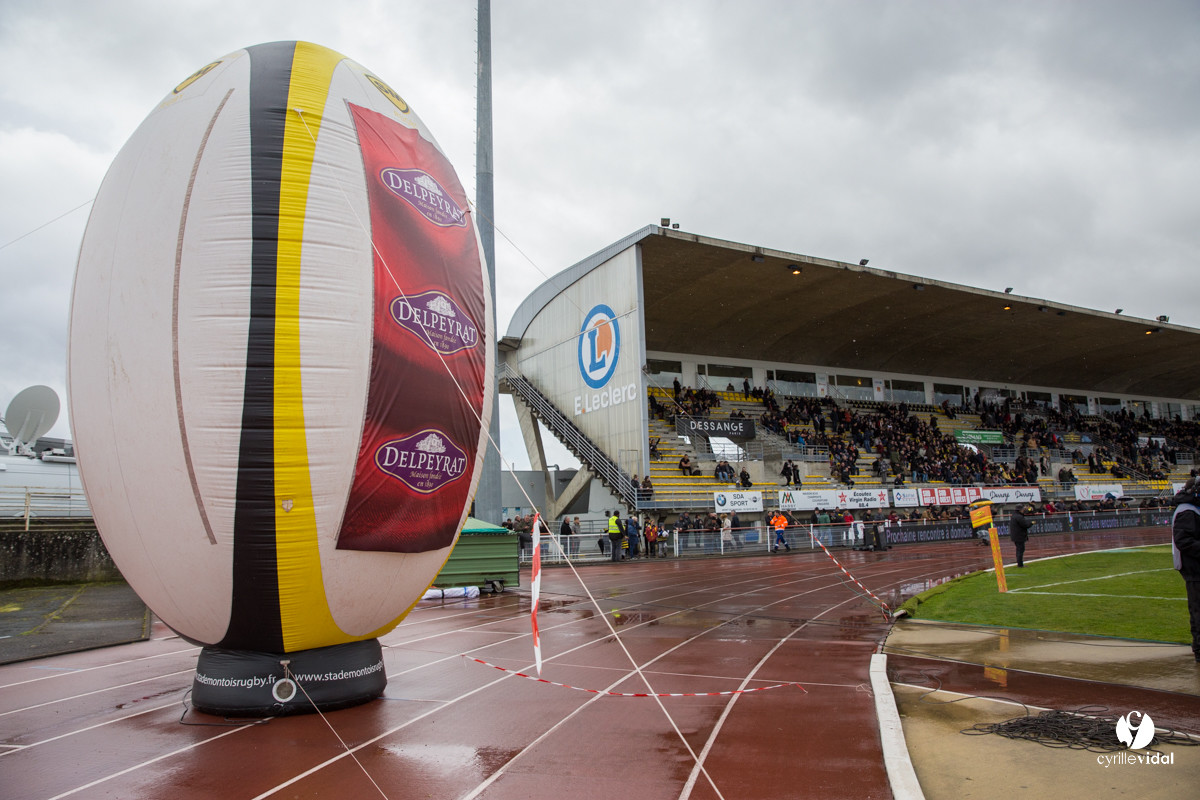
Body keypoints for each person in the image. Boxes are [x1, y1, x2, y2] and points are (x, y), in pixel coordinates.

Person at [1171, 478, 1200, 663]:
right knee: (1198, 611)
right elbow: (1184, 541)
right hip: (1195, 569)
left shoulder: (1192, 508)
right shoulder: (1187, 511)